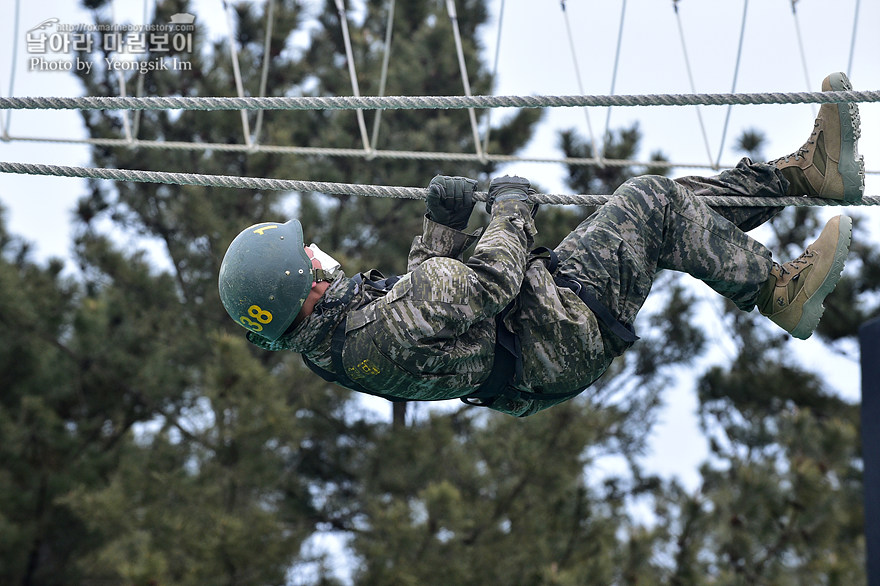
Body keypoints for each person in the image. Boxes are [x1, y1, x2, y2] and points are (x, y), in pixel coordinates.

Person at [219, 72, 864, 417]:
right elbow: (486, 283)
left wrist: (441, 225)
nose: (316, 252)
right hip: (552, 327)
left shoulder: (340, 339)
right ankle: (778, 291)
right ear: (300, 285)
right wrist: (511, 208)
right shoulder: (369, 328)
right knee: (651, 202)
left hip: (539, 341)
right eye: (303, 256)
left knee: (664, 216)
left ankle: (801, 177)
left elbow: (433, 299)